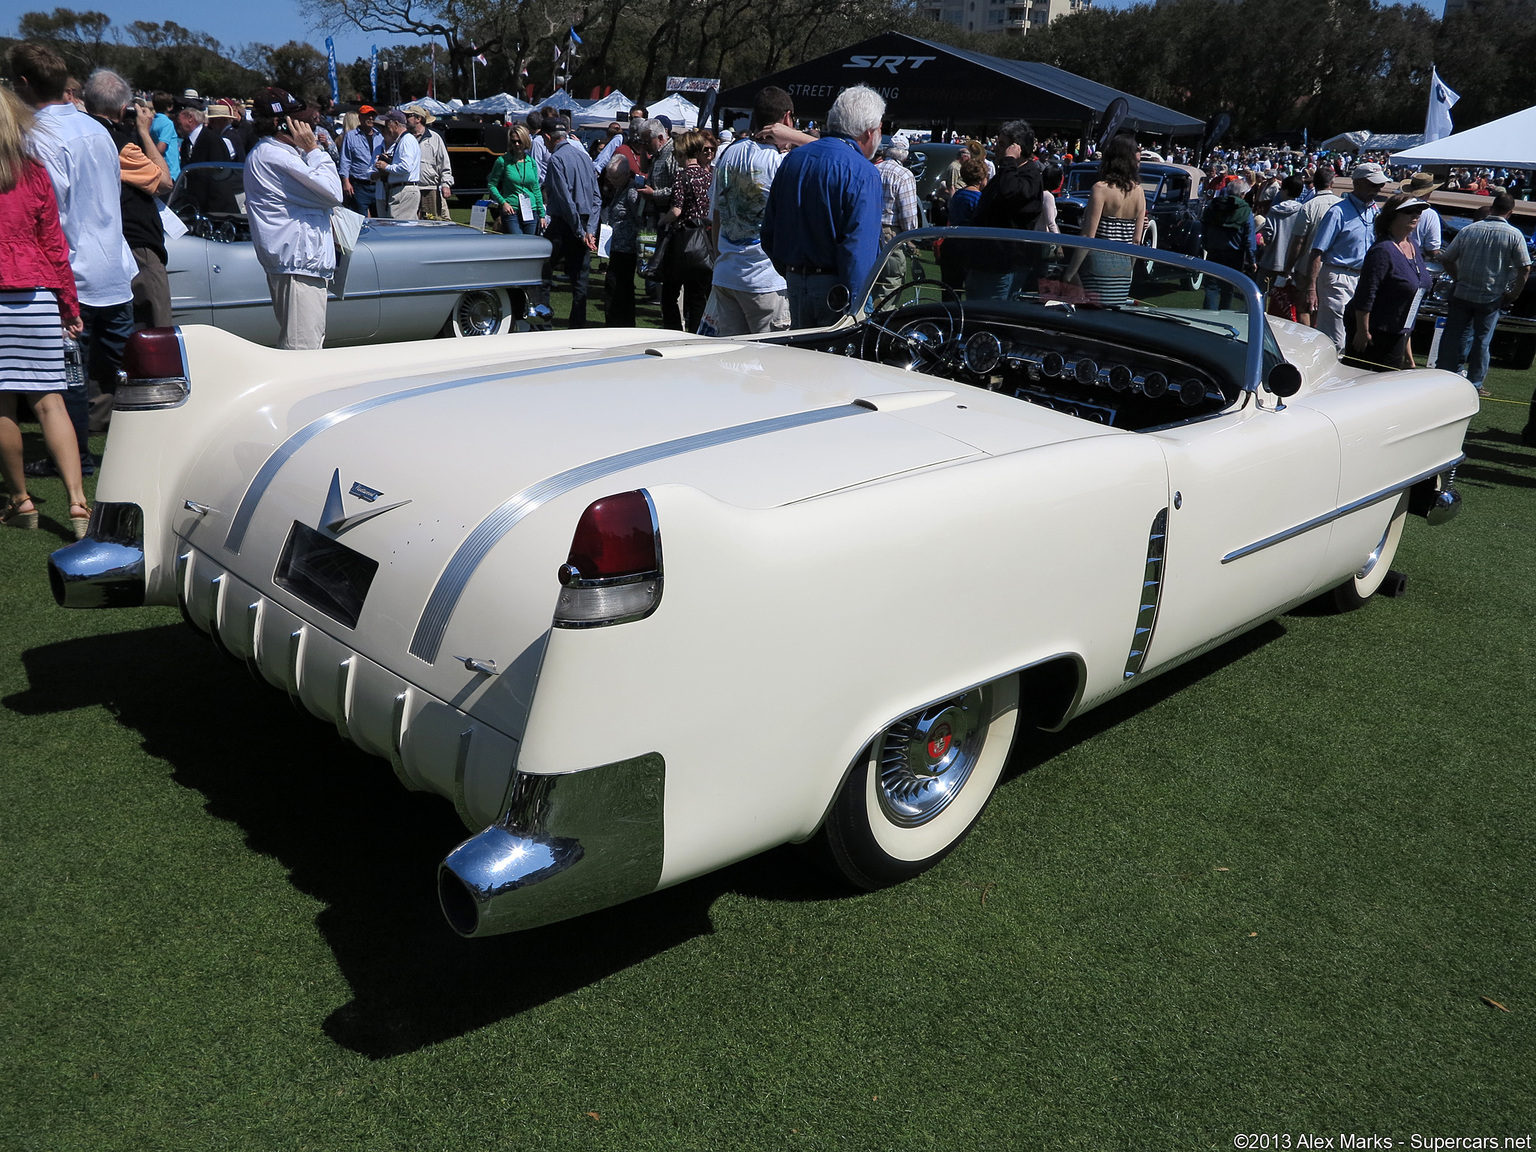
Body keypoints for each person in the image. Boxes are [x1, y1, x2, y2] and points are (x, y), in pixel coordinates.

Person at [8, 41, 136, 480]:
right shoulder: (95, 128)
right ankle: (145, 444)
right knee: (124, 369)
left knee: (72, 376)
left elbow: (47, 214)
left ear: (22, 83)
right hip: (113, 265)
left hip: (73, 270)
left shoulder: (36, 137)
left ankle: (78, 456)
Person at [0, 84, 91, 536]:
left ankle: (20, 500)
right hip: (37, 293)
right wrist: (68, 304)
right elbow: (55, 245)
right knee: (50, 402)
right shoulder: (34, 172)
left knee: (1, 403)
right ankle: (77, 503)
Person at [760, 85, 884, 329]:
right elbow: (857, 249)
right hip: (836, 290)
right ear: (870, 133)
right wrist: (855, 308)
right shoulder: (864, 172)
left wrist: (794, 273)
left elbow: (769, 231)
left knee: (800, 362)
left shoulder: (794, 159)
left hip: (796, 281)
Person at [242, 87, 342, 350]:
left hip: (301, 265)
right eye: (298, 119)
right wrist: (314, 149)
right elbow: (332, 193)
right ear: (279, 123)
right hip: (297, 266)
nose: (307, 125)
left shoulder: (280, 153)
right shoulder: (273, 156)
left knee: (307, 345)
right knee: (302, 351)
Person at [700, 85, 796, 337]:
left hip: (727, 276)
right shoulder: (780, 163)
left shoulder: (729, 153)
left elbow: (717, 214)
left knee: (730, 364)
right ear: (786, 119)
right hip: (764, 281)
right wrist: (798, 138)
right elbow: (839, 154)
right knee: (770, 368)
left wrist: (721, 257)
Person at [1435, 192, 1530, 400]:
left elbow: (1447, 258)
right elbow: (1525, 268)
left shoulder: (1469, 230)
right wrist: (1513, 294)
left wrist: (1458, 277)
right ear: (1510, 212)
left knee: (1452, 336)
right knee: (1482, 341)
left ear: (1492, 207)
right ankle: (1475, 384)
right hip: (1491, 296)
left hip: (1463, 292)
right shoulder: (1514, 235)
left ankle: (1444, 375)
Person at [1302, 162, 1388, 351]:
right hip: (1337, 276)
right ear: (1357, 183)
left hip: (1362, 278)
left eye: (1379, 185)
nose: (1377, 189)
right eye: (1372, 184)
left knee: (1355, 336)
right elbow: (1317, 251)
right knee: (1336, 340)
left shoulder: (1374, 212)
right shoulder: (1337, 212)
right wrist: (1311, 288)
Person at [1345, 194, 1434, 370]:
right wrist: (1363, 331)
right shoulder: (1382, 250)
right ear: (1393, 215)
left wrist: (1408, 351)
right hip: (1373, 332)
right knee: (1362, 385)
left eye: (1418, 211)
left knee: (1387, 386)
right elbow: (1366, 293)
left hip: (1397, 331)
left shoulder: (1413, 245)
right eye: (1409, 211)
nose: (1415, 215)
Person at [1063, 133, 1146, 308]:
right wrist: (1127, 270)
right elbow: (1136, 240)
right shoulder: (1140, 192)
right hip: (1123, 270)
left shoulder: (1100, 189)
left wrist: (1070, 272)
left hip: (1096, 265)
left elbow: (1088, 235)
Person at [540, 118, 600, 328]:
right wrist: (589, 229)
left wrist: (578, 230)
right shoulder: (585, 157)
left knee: (543, 272)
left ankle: (542, 323)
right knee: (580, 280)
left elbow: (566, 200)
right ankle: (578, 327)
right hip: (582, 223)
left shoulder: (556, 160)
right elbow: (596, 198)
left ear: (548, 137)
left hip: (564, 224)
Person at [663, 129, 715, 333]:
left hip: (683, 240)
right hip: (704, 240)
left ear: (683, 153)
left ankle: (672, 330)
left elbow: (676, 210)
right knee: (697, 296)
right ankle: (696, 333)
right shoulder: (708, 175)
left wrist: (662, 221)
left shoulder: (681, 176)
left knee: (670, 293)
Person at [1285, 167, 1342, 326]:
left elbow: (1298, 242)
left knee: (1304, 308)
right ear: (1332, 183)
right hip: (1331, 267)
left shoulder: (1308, 206)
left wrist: (1288, 266)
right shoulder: (1342, 207)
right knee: (1321, 309)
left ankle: (1306, 343)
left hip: (1306, 266)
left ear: (1315, 183)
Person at [871, 138, 919, 302]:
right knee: (890, 283)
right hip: (891, 234)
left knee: (869, 282)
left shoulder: (873, 169)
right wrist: (911, 237)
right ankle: (881, 322)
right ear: (905, 155)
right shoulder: (904, 175)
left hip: (868, 230)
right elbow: (908, 214)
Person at [600, 155, 641, 327]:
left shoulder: (632, 192)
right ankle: (616, 322)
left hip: (627, 249)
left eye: (614, 177)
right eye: (609, 177)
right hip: (616, 247)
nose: (611, 181)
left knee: (619, 287)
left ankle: (620, 323)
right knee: (614, 287)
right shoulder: (619, 188)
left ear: (626, 175)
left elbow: (640, 221)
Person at [1257, 173, 1306, 307]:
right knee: (1287, 303)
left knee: (1260, 296)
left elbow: (1268, 235)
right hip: (1293, 263)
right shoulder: (1303, 211)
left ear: (1284, 190)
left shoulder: (1274, 210)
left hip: (1271, 260)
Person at [487, 124, 544, 235]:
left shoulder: (531, 162)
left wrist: (541, 214)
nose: (517, 145)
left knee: (529, 244)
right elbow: (492, 185)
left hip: (530, 209)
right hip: (511, 210)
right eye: (514, 141)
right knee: (518, 242)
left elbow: (536, 188)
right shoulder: (502, 161)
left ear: (526, 141)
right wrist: (503, 203)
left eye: (520, 141)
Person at [403, 105, 452, 218]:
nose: (405, 119)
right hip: (409, 189)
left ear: (418, 119)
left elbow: (444, 163)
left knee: (431, 221)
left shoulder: (434, 138)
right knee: (410, 222)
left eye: (408, 116)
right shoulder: (404, 138)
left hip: (429, 189)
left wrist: (446, 184)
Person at [373, 110, 421, 220]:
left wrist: (386, 166)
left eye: (387, 124)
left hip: (403, 190)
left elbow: (406, 167)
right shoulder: (405, 140)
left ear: (395, 124)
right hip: (403, 189)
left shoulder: (406, 140)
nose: (385, 128)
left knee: (400, 229)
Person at [339, 105, 383, 215]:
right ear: (360, 117)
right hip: (359, 186)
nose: (371, 118)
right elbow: (345, 160)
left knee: (380, 219)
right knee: (360, 220)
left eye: (373, 116)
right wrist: (346, 182)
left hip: (377, 185)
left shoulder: (380, 136)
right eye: (368, 116)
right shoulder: (351, 136)